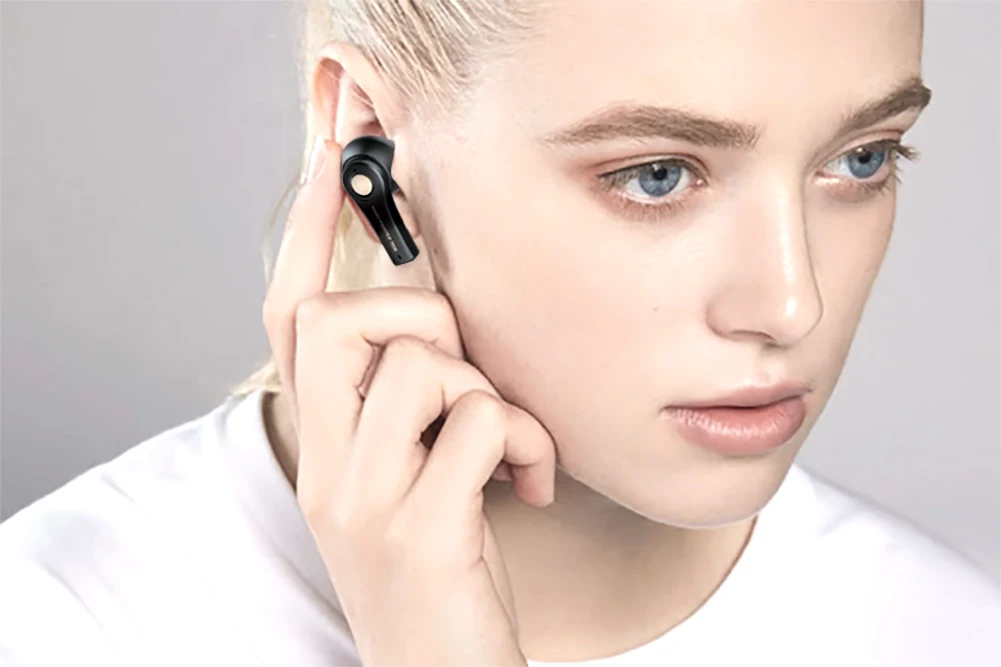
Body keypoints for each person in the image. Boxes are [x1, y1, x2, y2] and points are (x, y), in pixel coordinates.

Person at [2, 0, 999, 665]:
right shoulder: (61, 620)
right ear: (368, 141)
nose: (791, 305)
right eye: (656, 175)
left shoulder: (948, 633)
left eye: (861, 159)